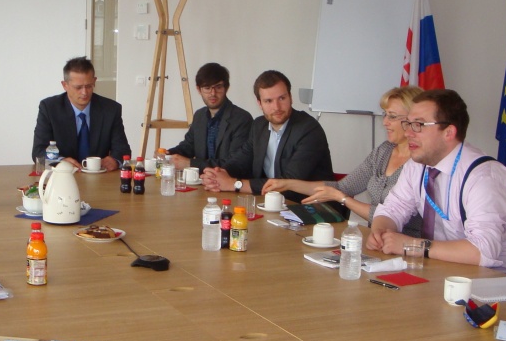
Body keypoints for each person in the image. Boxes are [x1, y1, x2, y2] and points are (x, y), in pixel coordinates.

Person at [367, 89, 506, 273]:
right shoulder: (417, 165)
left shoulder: (484, 177)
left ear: (449, 132)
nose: (408, 133)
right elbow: (393, 208)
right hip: (453, 267)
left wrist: (412, 245)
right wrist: (381, 232)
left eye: (418, 125)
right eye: (408, 124)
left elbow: (483, 251)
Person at [263, 86, 424, 234]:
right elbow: (342, 187)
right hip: (376, 239)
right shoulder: (383, 151)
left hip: (408, 244)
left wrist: (342, 199)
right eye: (385, 115)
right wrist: (288, 184)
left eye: (392, 116)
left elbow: (390, 216)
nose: (385, 122)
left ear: (412, 120)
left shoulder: (422, 162)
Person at [201, 70, 333, 200]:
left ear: (290, 97)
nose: (277, 107)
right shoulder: (259, 126)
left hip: (308, 205)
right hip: (271, 203)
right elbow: (241, 160)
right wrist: (218, 174)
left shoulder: (309, 130)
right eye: (269, 101)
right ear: (260, 104)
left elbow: (288, 183)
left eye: (282, 98)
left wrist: (234, 184)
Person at [32, 56, 131, 172]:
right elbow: (38, 152)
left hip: (99, 176)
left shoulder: (111, 109)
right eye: (78, 87)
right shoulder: (49, 108)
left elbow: (122, 149)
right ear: (65, 85)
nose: (84, 92)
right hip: (64, 175)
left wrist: (115, 160)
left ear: (94, 81)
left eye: (89, 86)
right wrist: (60, 161)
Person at [166, 62, 253, 172]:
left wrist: (190, 163)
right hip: (202, 180)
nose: (213, 93)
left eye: (218, 87)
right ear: (199, 90)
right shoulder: (199, 115)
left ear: (226, 88)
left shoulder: (242, 119)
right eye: (207, 88)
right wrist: (167, 154)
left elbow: (235, 163)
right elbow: (188, 147)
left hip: (229, 180)